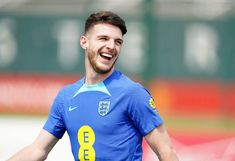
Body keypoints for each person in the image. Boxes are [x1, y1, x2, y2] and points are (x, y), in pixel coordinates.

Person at [7, 11, 179, 161]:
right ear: (84, 42)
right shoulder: (66, 97)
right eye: (103, 38)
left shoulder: (133, 93)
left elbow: (166, 151)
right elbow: (38, 150)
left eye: (118, 42)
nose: (111, 46)